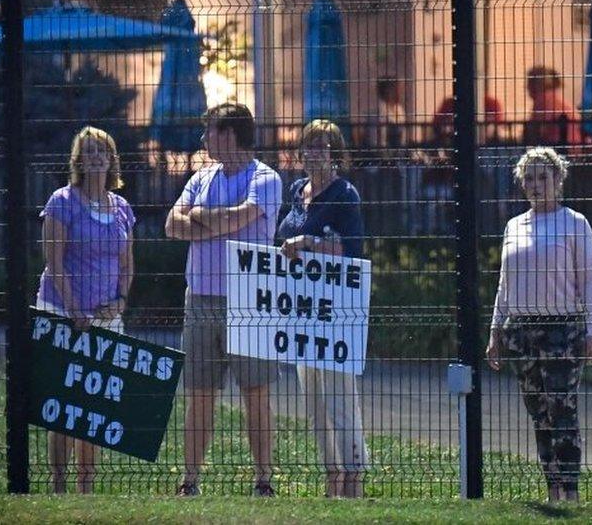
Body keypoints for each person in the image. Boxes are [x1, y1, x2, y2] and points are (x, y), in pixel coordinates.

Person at [165, 102, 283, 497]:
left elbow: (241, 217)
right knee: (199, 393)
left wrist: (199, 218)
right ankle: (190, 480)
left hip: (249, 301)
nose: (204, 139)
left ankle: (264, 480)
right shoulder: (201, 176)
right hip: (199, 299)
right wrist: (215, 223)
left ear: (229, 135)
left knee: (256, 393)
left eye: (210, 131)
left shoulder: (265, 178)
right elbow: (171, 224)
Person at [485, 146, 592, 502]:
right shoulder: (513, 226)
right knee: (538, 412)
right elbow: (504, 285)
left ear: (558, 179)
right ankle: (552, 488)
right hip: (520, 331)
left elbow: (591, 281)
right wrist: (495, 332)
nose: (536, 185)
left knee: (562, 408)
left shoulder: (575, 223)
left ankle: (571, 490)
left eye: (543, 177)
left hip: (562, 330)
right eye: (529, 179)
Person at [36, 126, 136, 494]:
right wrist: (75, 310)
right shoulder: (61, 201)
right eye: (90, 151)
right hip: (63, 310)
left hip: (106, 316)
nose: (97, 157)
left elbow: (127, 265)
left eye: (103, 151)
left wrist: (120, 301)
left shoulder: (122, 207)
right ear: (78, 160)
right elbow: (54, 261)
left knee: (93, 403)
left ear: (112, 160)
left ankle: (87, 485)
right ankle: (59, 483)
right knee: (63, 403)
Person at [277, 119, 369, 497]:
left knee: (340, 397)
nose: (314, 152)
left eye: (322, 146)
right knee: (313, 400)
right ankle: (331, 473)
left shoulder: (345, 195)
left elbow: (349, 249)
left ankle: (353, 474)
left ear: (335, 153)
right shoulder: (298, 191)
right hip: (301, 310)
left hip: (334, 312)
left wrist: (309, 241)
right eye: (308, 145)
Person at [523, 66, 585, 154]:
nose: (526, 88)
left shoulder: (542, 101)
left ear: (535, 85)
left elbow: (533, 131)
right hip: (577, 148)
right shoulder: (556, 98)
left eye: (529, 84)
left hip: (560, 150)